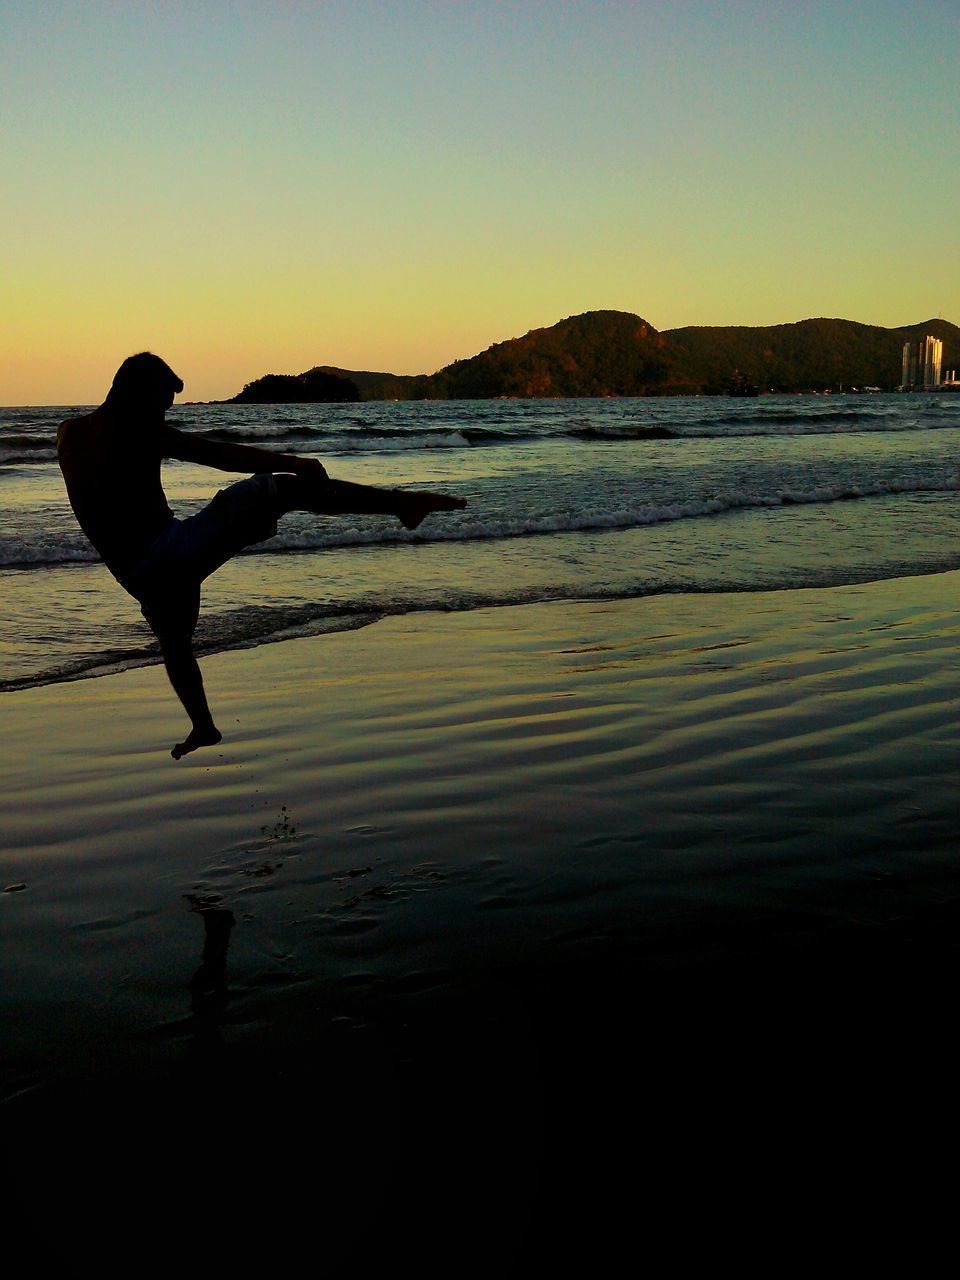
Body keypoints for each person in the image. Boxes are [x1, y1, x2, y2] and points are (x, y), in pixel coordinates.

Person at [57, 352, 466, 759]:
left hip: (138, 577)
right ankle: (399, 504)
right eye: (160, 407)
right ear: (138, 395)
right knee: (284, 489)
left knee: (175, 642)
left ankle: (202, 725)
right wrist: (294, 461)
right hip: (172, 554)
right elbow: (221, 455)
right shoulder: (140, 432)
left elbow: (104, 514)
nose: (163, 418)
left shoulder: (69, 436)